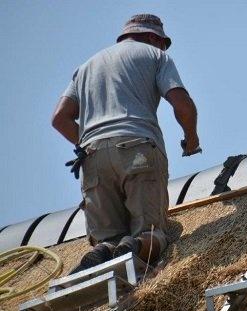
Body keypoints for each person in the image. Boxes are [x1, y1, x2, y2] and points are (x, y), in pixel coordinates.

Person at [51, 14, 200, 270]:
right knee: (152, 232)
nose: (163, 48)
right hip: (137, 148)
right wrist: (191, 138)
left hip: (93, 157)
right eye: (163, 43)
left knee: (107, 240)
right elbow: (182, 105)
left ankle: (106, 250)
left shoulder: (86, 67)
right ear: (154, 38)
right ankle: (134, 246)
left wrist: (89, 144)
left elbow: (59, 118)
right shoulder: (155, 56)